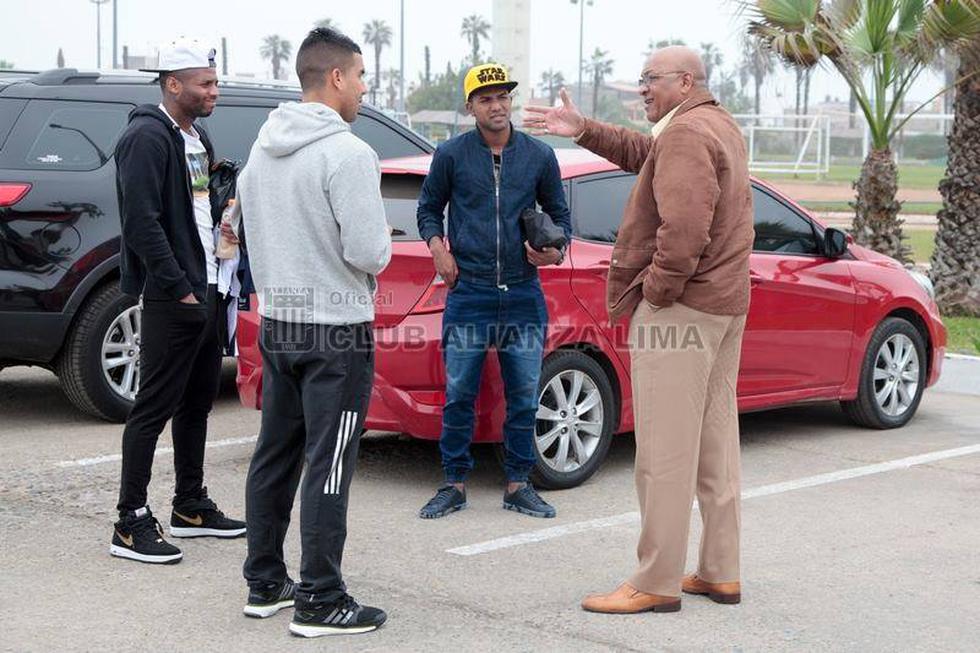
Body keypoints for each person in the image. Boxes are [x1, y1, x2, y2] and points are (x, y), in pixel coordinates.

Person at [524, 45, 754, 613]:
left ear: (683, 80)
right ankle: (720, 571)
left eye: (650, 79)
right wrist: (583, 129)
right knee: (715, 445)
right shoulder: (714, 124)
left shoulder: (686, 133)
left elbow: (684, 229)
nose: (642, 88)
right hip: (724, 308)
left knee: (663, 453)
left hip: (683, 311)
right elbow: (648, 155)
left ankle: (655, 582)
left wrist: (657, 291)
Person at [237, 27, 390, 638]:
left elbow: (249, 227)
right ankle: (321, 599)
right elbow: (371, 252)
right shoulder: (348, 154)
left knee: (274, 452)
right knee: (328, 464)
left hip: (280, 321)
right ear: (334, 78)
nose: (362, 88)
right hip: (336, 334)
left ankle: (265, 581)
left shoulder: (261, 150)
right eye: (358, 76)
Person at [416, 63, 572, 520]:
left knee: (524, 394)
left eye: (503, 96)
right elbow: (428, 209)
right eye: (486, 99)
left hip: (523, 294)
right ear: (470, 107)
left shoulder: (540, 155)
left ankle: (519, 484)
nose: (497, 105)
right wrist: (438, 250)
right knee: (460, 392)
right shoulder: (451, 155)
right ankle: (453, 483)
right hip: (470, 293)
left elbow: (561, 217)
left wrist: (555, 250)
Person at [111, 38, 245, 566]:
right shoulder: (145, 137)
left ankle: (190, 505)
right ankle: (129, 521)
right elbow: (142, 222)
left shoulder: (196, 134)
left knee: (197, 403)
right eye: (205, 83)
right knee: (153, 408)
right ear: (173, 84)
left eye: (214, 81)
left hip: (210, 286)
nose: (215, 90)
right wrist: (179, 286)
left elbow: (198, 208)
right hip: (176, 295)